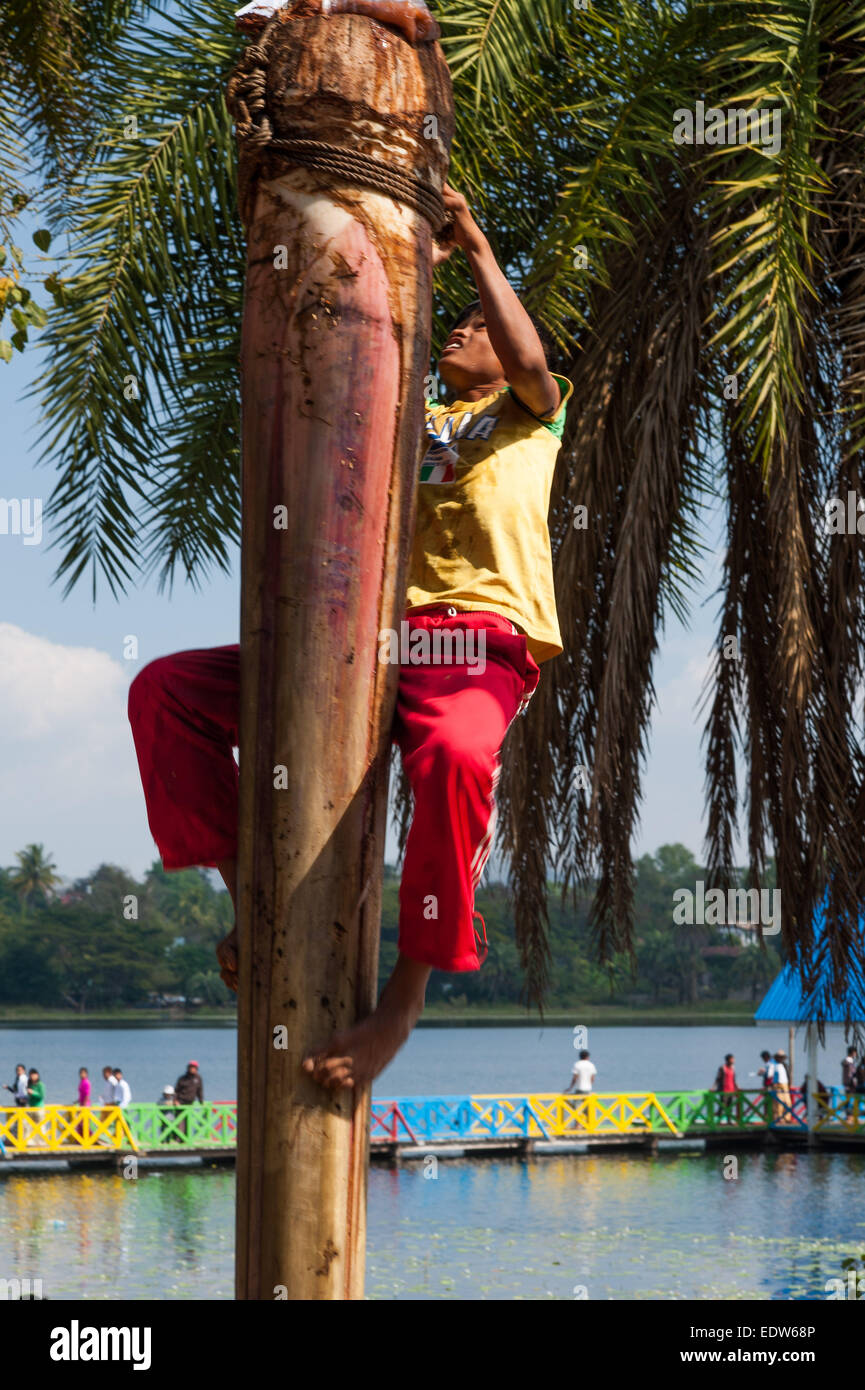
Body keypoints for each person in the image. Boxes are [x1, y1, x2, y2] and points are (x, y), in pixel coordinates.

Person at [127, 182, 572, 1092]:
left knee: (452, 754)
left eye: (472, 328)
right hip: (361, 640)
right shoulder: (406, 425)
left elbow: (527, 355)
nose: (458, 332)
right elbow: (364, 358)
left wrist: (475, 246)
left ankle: (401, 1004)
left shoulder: (534, 415)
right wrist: (407, 268)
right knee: (164, 690)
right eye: (452, 322)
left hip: (473, 641)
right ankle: (249, 898)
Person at [714, 1053, 738, 1122]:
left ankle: (729, 1121)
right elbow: (718, 1078)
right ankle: (718, 1120)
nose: (733, 1060)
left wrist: (737, 1087)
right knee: (722, 1105)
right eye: (732, 1059)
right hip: (723, 1090)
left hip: (731, 1090)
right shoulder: (722, 1068)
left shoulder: (733, 1068)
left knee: (730, 1106)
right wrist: (713, 1087)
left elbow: (734, 1079)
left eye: (733, 1059)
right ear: (728, 1060)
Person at [771, 1050, 792, 1124]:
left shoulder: (784, 1065)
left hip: (785, 1084)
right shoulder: (773, 1064)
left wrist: (789, 1083)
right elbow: (770, 1075)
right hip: (777, 1084)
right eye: (779, 1057)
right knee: (779, 1103)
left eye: (782, 1057)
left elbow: (788, 1074)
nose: (781, 1059)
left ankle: (787, 1117)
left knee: (788, 1102)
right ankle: (779, 1118)